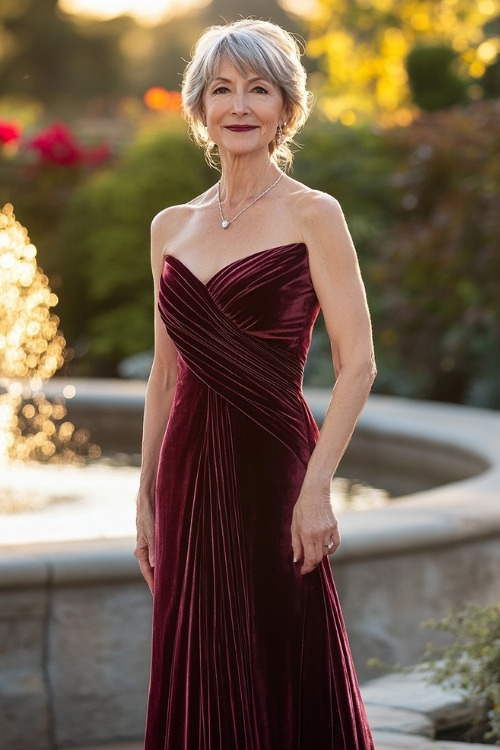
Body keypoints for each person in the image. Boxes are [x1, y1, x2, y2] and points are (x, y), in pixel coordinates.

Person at [135, 18, 376, 750]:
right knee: (194, 654)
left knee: (279, 646)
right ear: (200, 108)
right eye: (222, 89)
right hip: (185, 473)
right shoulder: (170, 226)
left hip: (274, 470)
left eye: (258, 88)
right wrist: (145, 495)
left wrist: (316, 488)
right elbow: (165, 373)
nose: (239, 105)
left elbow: (358, 362)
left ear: (285, 108)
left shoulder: (313, 213)